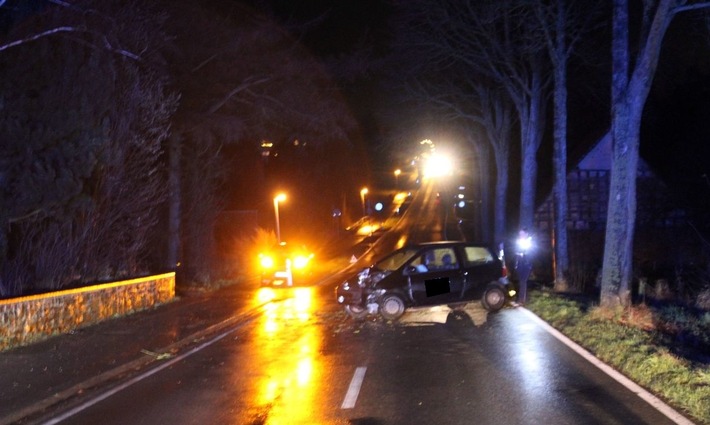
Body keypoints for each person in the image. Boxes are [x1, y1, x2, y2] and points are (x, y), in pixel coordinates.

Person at [514, 228, 533, 305]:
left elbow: (531, 252)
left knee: (523, 281)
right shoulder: (519, 242)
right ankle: (520, 298)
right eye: (520, 234)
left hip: (526, 264)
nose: (520, 235)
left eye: (522, 234)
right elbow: (516, 251)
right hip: (520, 264)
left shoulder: (529, 241)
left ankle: (522, 299)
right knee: (520, 281)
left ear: (526, 234)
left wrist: (524, 254)